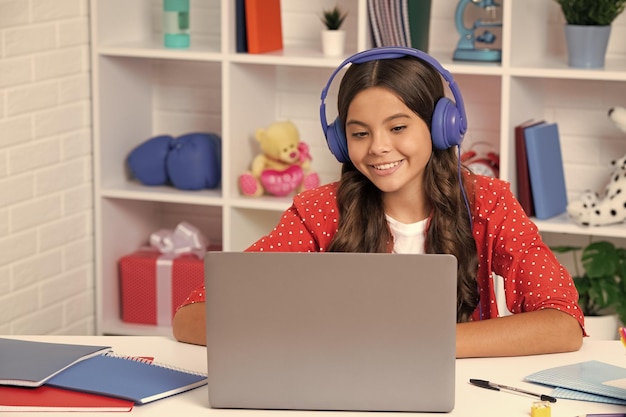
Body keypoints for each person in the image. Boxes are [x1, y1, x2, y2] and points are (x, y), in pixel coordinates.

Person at [173, 47, 585, 357]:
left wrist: (412, 342)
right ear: (340, 140)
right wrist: (321, 337)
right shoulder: (318, 211)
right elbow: (192, 316)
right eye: (360, 133)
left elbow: (563, 323)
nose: (378, 148)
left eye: (398, 126)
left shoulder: (488, 203)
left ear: (442, 127)